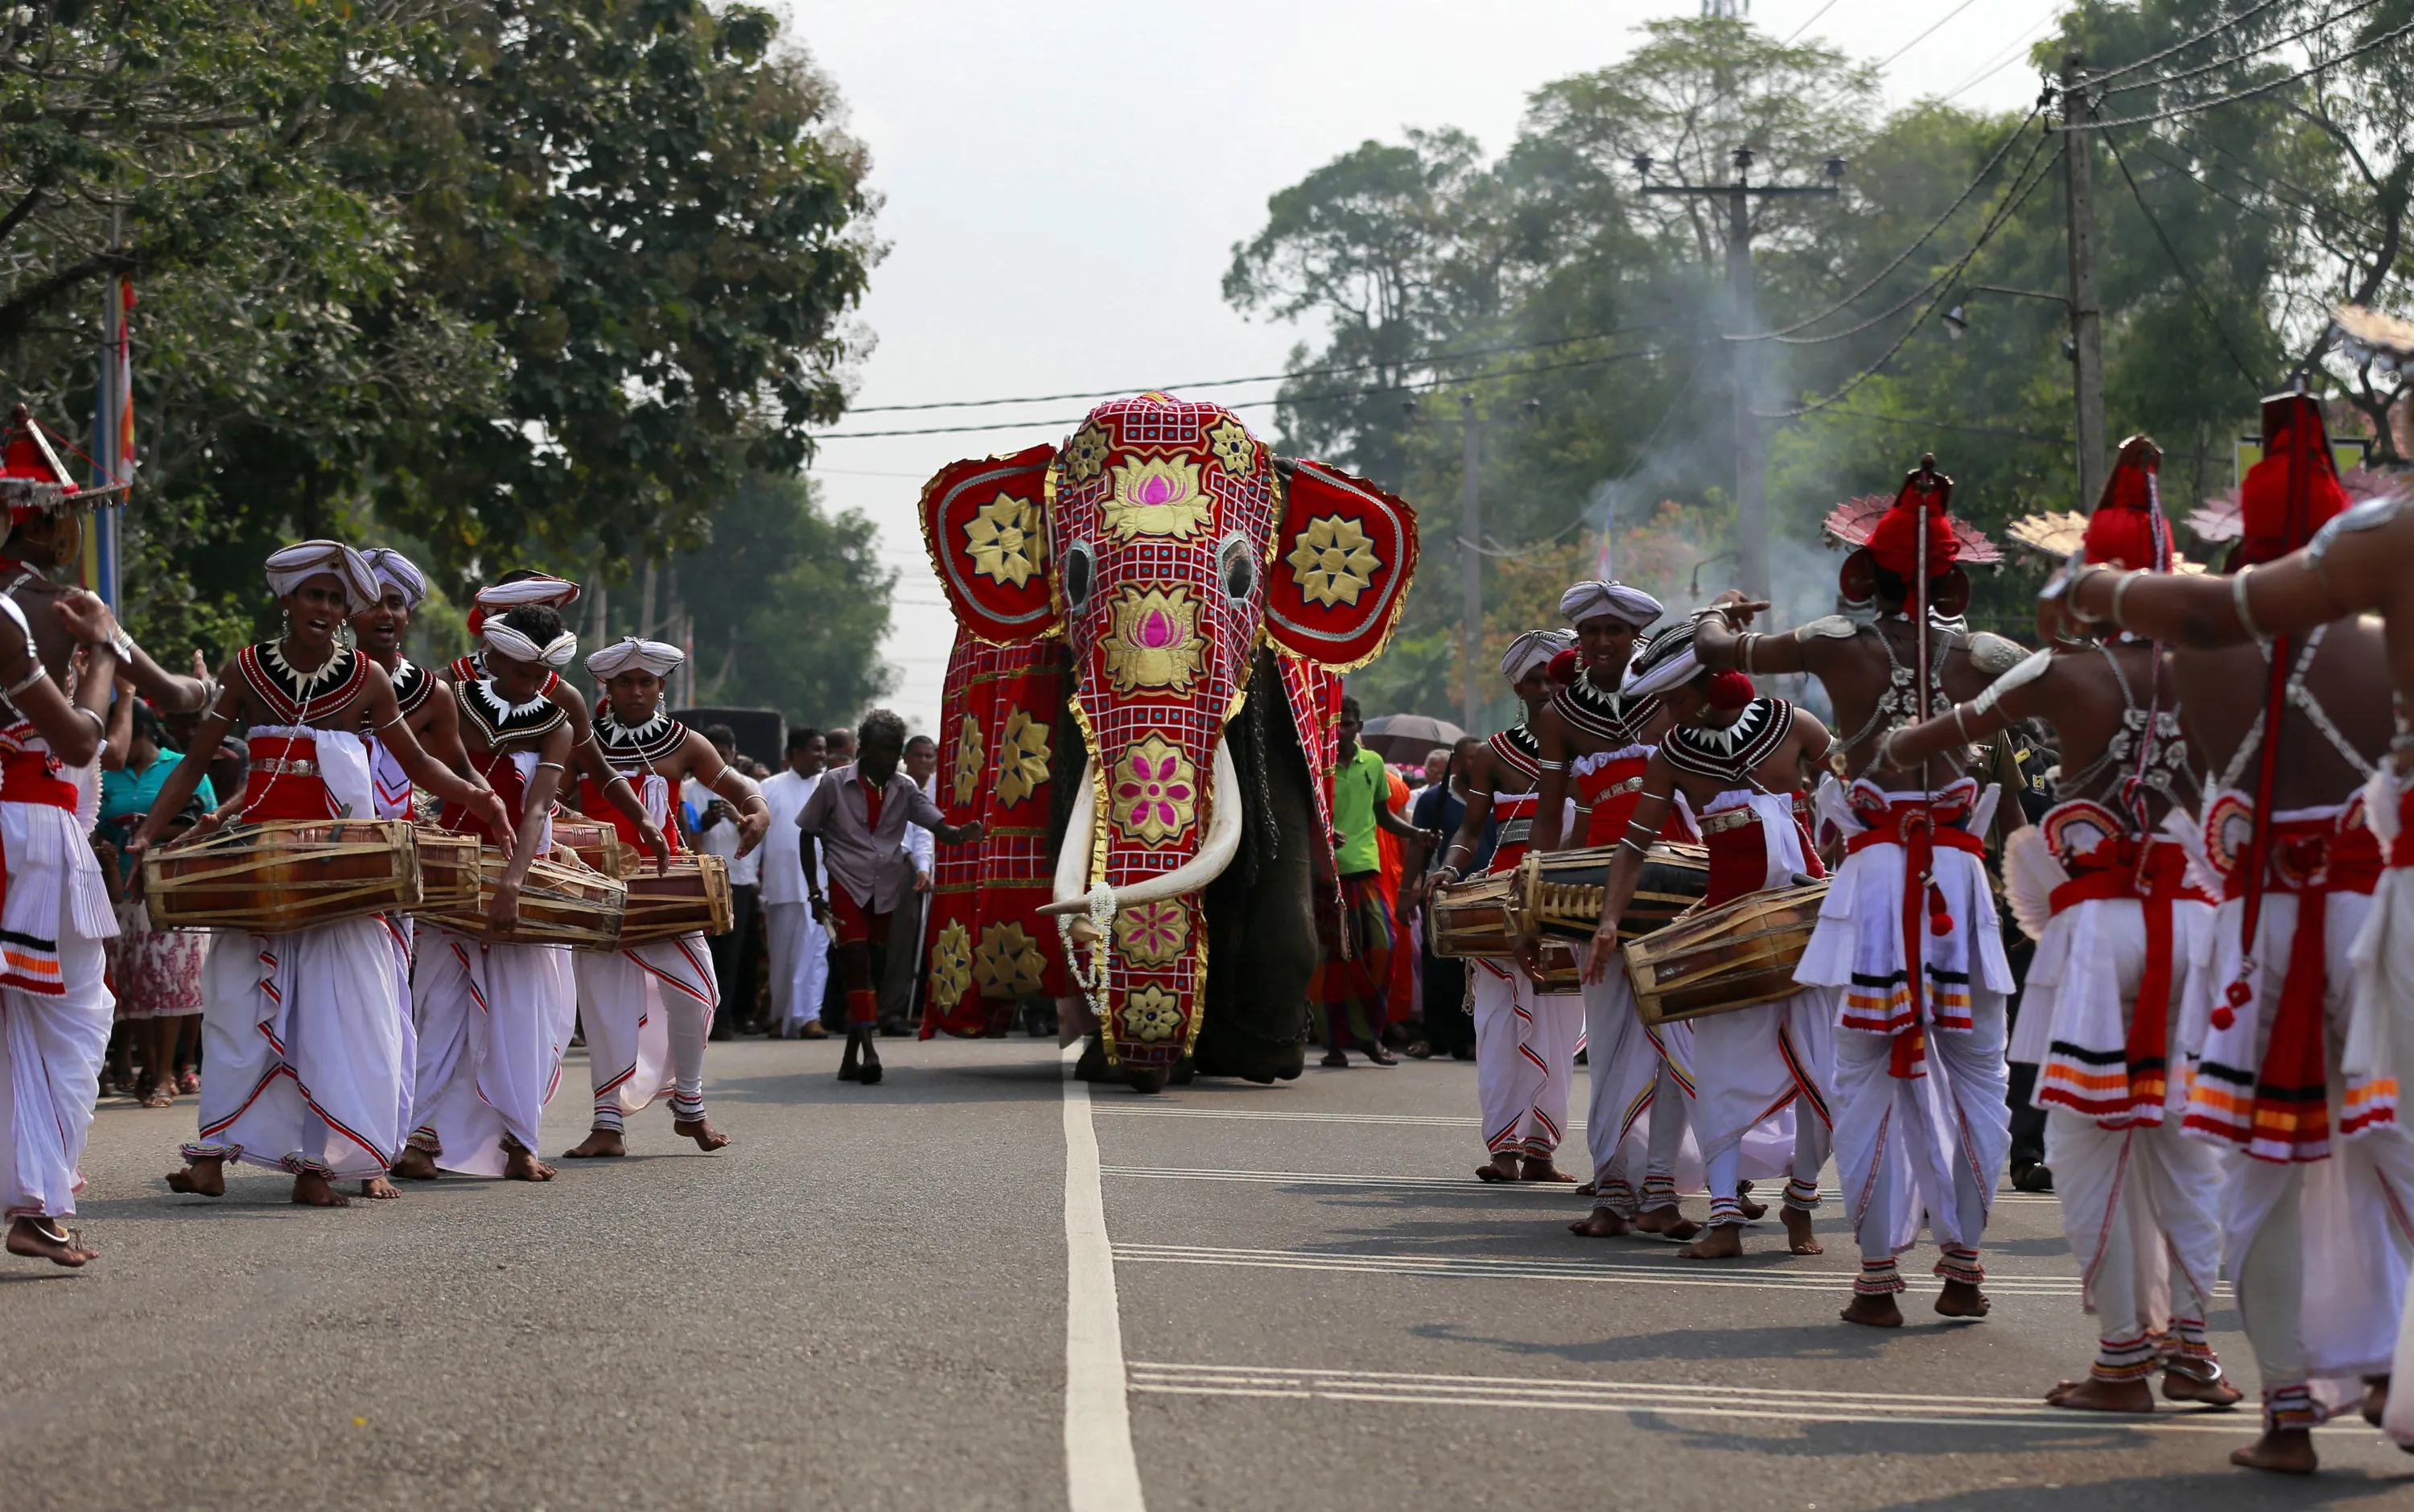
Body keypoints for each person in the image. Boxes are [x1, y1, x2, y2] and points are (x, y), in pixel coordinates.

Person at [2043, 394, 2413, 1471]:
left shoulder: (2190, 645)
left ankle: (2289, 1410)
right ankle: (2385, 1359)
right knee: (2392, 1150)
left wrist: (2096, 582)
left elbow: (2203, 616)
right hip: (2375, 916)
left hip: (2267, 930)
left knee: (2264, 1170)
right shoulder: (2379, 630)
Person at [1889, 439, 2241, 1412]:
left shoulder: (2058, 673)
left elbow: (1935, 737)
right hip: (2199, 927)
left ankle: (2124, 1357)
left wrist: (1892, 733)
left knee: (2092, 1141)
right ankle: (2196, 1351)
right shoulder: (2220, 674)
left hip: (2096, 933)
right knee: (2189, 1140)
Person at [1693, 456, 2029, 1327]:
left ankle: (1878, 1277)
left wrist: (1723, 615)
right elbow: (2083, 684)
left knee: (1866, 1072)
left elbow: (1716, 653)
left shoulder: (1831, 643)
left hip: (1876, 874)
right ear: (1953, 578)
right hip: (1957, 875)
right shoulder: (1989, 656)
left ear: (1861, 574)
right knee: (1976, 1074)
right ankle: (1963, 1268)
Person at [134, 542, 512, 1209]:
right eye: (315, 595)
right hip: (260, 867)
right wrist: (145, 834)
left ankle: (319, 1164)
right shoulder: (245, 671)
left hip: (341, 871)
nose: (327, 609)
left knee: (337, 1019)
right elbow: (192, 763)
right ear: (286, 599)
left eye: (338, 600)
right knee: (240, 1007)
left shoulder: (367, 678)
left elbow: (420, 765)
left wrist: (480, 797)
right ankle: (212, 1158)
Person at [1580, 623, 1835, 1259]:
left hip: (1808, 921)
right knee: (1715, 1079)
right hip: (1722, 930)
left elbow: (1856, 793)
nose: (1663, 715)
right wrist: (1610, 920)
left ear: (1708, 686)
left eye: (1672, 700)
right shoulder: (1671, 756)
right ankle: (1724, 1218)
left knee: (1826, 1079)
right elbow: (1633, 845)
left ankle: (1801, 1199)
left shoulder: (1796, 724)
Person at [394, 603, 591, 1184]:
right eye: (522, 669)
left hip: (519, 879)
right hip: (446, 879)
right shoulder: (449, 696)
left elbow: (537, 809)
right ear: (496, 652)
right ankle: (419, 1140)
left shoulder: (555, 724)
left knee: (522, 1014)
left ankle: (519, 1142)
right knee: (438, 1010)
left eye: (540, 674)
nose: (532, 684)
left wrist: (511, 883)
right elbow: (416, 772)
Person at [562, 638, 765, 1158]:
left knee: (699, 994)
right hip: (599, 891)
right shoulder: (582, 742)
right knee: (605, 1008)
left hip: (668, 889)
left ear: (661, 687)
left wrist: (758, 809)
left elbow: (735, 784)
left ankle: (689, 1105)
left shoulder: (684, 741)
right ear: (606, 687)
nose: (635, 691)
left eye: (645, 682)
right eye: (625, 681)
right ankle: (608, 1123)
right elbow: (553, 800)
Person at [0, 561, 123, 1265]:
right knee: (77, 1016)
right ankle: (40, 1206)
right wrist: (105, 651)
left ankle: (37, 1198)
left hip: (34, 839)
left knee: (32, 1020)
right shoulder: (28, 612)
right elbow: (81, 740)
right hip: (33, 838)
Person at [1432, 635, 1584, 1178]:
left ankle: (1541, 1150)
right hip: (1503, 903)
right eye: (1535, 678)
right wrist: (1448, 869)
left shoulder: (1594, 746)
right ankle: (1502, 1148)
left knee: (1559, 1029)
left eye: (1555, 677)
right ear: (1517, 686)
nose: (1547, 687)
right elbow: (1471, 831)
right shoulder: (1494, 753)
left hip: (1571, 897)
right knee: (1498, 1027)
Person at [796, 710, 982, 1084]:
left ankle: (850, 1057)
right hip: (846, 883)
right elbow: (807, 832)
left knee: (873, 972)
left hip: (886, 890)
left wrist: (964, 833)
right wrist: (815, 892)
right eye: (883, 749)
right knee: (856, 963)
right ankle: (870, 1052)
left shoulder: (905, 787)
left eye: (896, 750)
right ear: (864, 748)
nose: (890, 758)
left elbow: (939, 827)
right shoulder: (834, 783)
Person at [98, 700, 216, 1109]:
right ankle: (148, 1070)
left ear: (142, 729)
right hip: (118, 893)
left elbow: (209, 824)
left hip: (174, 890)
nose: (109, 740)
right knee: (133, 984)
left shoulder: (182, 767)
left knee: (172, 985)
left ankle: (167, 1073)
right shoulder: (104, 773)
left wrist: (160, 835)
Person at [1316, 696, 1423, 1069]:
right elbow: (1305, 812)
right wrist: (1325, 833)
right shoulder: (1318, 763)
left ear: (1358, 727)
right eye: (1335, 723)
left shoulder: (1374, 764)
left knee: (1383, 949)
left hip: (1366, 872)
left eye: (1347, 723)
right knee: (1333, 962)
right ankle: (1333, 1044)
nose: (1341, 730)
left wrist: (1417, 833)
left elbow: (1384, 816)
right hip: (1326, 875)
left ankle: (1370, 1035)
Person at [1404, 735, 1487, 1061]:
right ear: (1456, 761)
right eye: (1471, 758)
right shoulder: (1432, 801)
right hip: (1442, 895)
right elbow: (1417, 846)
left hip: (1484, 895)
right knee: (1439, 967)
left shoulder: (1493, 797)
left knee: (1477, 968)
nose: (1477, 765)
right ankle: (1435, 1038)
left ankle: (1469, 1039)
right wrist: (1404, 892)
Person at [688, 723, 761, 1040]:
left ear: (733, 754)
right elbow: (682, 829)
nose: (717, 760)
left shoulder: (748, 786)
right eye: (712, 754)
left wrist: (736, 816)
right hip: (699, 878)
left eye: (723, 754)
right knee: (703, 949)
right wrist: (702, 824)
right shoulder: (688, 788)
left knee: (732, 953)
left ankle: (724, 1019)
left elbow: (760, 834)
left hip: (738, 878)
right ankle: (699, 1016)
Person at [758, 727, 831, 1038]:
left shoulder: (830, 786)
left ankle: (808, 1018)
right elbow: (756, 835)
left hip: (821, 887)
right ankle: (781, 1017)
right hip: (782, 886)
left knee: (816, 955)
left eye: (824, 749)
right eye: (816, 749)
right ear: (795, 753)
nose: (822, 756)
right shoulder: (768, 787)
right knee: (783, 958)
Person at [879, 732, 940, 1035]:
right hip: (863, 869)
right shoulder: (852, 782)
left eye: (930, 756)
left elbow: (922, 832)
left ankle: (892, 1012)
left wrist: (924, 868)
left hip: (900, 868)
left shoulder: (908, 787)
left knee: (903, 943)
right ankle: (860, 1010)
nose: (925, 762)